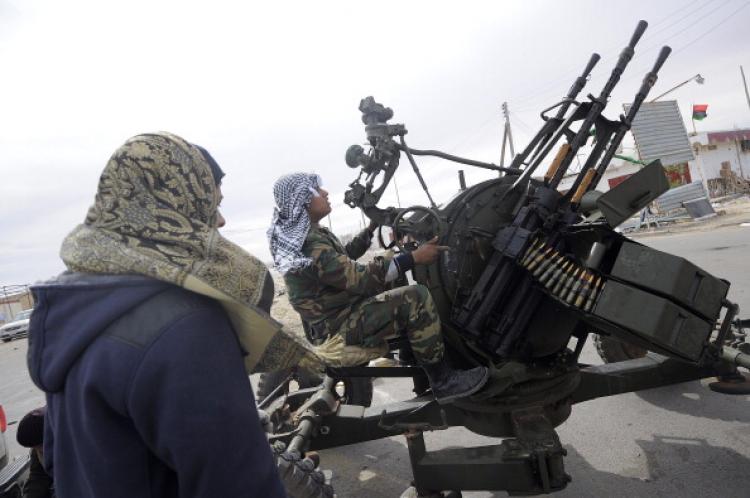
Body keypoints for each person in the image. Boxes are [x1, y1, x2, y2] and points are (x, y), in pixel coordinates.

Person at [25, 133, 313, 498]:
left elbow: (58, 461)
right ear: (173, 203)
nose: (221, 221)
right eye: (212, 203)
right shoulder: (184, 326)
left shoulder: (71, 313)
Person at [267, 172, 489, 404]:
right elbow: (359, 279)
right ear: (303, 199)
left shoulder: (311, 234)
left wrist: (372, 227)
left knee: (393, 277)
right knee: (416, 297)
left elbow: (344, 256)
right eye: (317, 190)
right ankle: (443, 381)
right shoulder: (309, 243)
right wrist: (412, 258)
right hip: (336, 327)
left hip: (335, 314)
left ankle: (411, 351)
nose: (325, 193)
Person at [16, 407, 53, 498]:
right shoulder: (37, 450)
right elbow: (38, 476)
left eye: (40, 446)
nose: (40, 451)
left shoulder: (76, 445)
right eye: (34, 448)